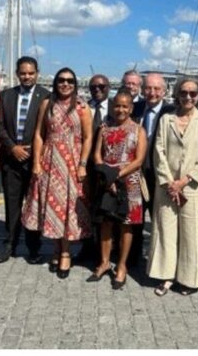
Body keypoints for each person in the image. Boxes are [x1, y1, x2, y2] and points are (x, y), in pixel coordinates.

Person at [22, 68, 93, 279]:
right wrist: (36, 162)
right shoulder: (47, 104)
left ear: (75, 84)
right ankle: (55, 248)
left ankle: (65, 252)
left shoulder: (82, 106)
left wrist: (83, 164)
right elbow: (39, 134)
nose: (65, 84)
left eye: (70, 81)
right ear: (55, 82)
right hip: (50, 160)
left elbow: (88, 137)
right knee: (52, 205)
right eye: (61, 80)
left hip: (72, 161)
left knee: (68, 207)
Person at [147, 78, 198, 296]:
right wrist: (169, 182)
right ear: (177, 94)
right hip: (166, 186)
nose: (188, 97)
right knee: (165, 229)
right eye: (184, 92)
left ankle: (189, 278)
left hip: (191, 187)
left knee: (191, 232)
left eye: (193, 93)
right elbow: (158, 151)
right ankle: (165, 275)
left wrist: (183, 182)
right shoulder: (166, 120)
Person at [88, 89, 147, 289]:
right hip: (106, 182)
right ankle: (104, 262)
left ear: (130, 108)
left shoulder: (138, 130)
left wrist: (116, 175)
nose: (120, 110)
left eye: (125, 106)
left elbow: (139, 160)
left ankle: (122, 265)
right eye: (117, 106)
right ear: (112, 107)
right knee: (105, 223)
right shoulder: (104, 129)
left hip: (129, 183)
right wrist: (107, 176)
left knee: (126, 225)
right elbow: (97, 155)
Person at [0, 56, 49, 264]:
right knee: (12, 204)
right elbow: (0, 126)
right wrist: (12, 147)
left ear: (37, 73)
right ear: (17, 74)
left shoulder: (47, 96)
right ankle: (10, 243)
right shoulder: (6, 96)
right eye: (23, 73)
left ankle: (34, 246)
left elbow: (49, 129)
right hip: (12, 159)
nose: (27, 77)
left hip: (36, 160)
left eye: (31, 73)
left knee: (34, 205)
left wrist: (35, 151)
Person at [127, 72, 174, 267]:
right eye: (148, 88)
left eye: (156, 89)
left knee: (160, 220)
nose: (152, 92)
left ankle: (159, 262)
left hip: (160, 175)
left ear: (164, 91)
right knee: (134, 219)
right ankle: (132, 258)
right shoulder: (134, 108)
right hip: (135, 173)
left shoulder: (172, 112)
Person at [75, 74, 113, 264]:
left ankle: (105, 251)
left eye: (101, 86)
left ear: (109, 87)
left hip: (109, 166)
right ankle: (87, 246)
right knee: (86, 206)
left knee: (105, 209)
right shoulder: (83, 108)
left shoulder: (117, 107)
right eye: (93, 87)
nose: (97, 90)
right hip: (86, 164)